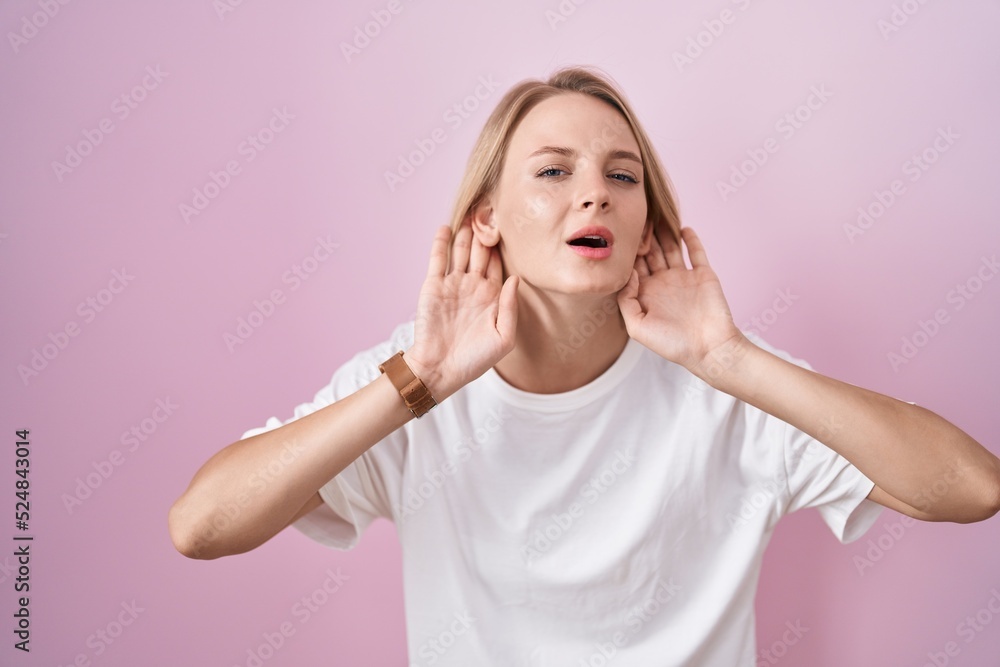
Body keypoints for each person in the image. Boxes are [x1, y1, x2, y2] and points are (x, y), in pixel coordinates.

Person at [168, 66, 1000, 665]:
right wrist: (416, 381)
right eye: (554, 171)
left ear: (646, 224)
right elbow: (201, 526)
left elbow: (972, 487)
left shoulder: (728, 385)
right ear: (487, 217)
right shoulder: (416, 385)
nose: (594, 193)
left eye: (622, 175)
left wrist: (730, 358)